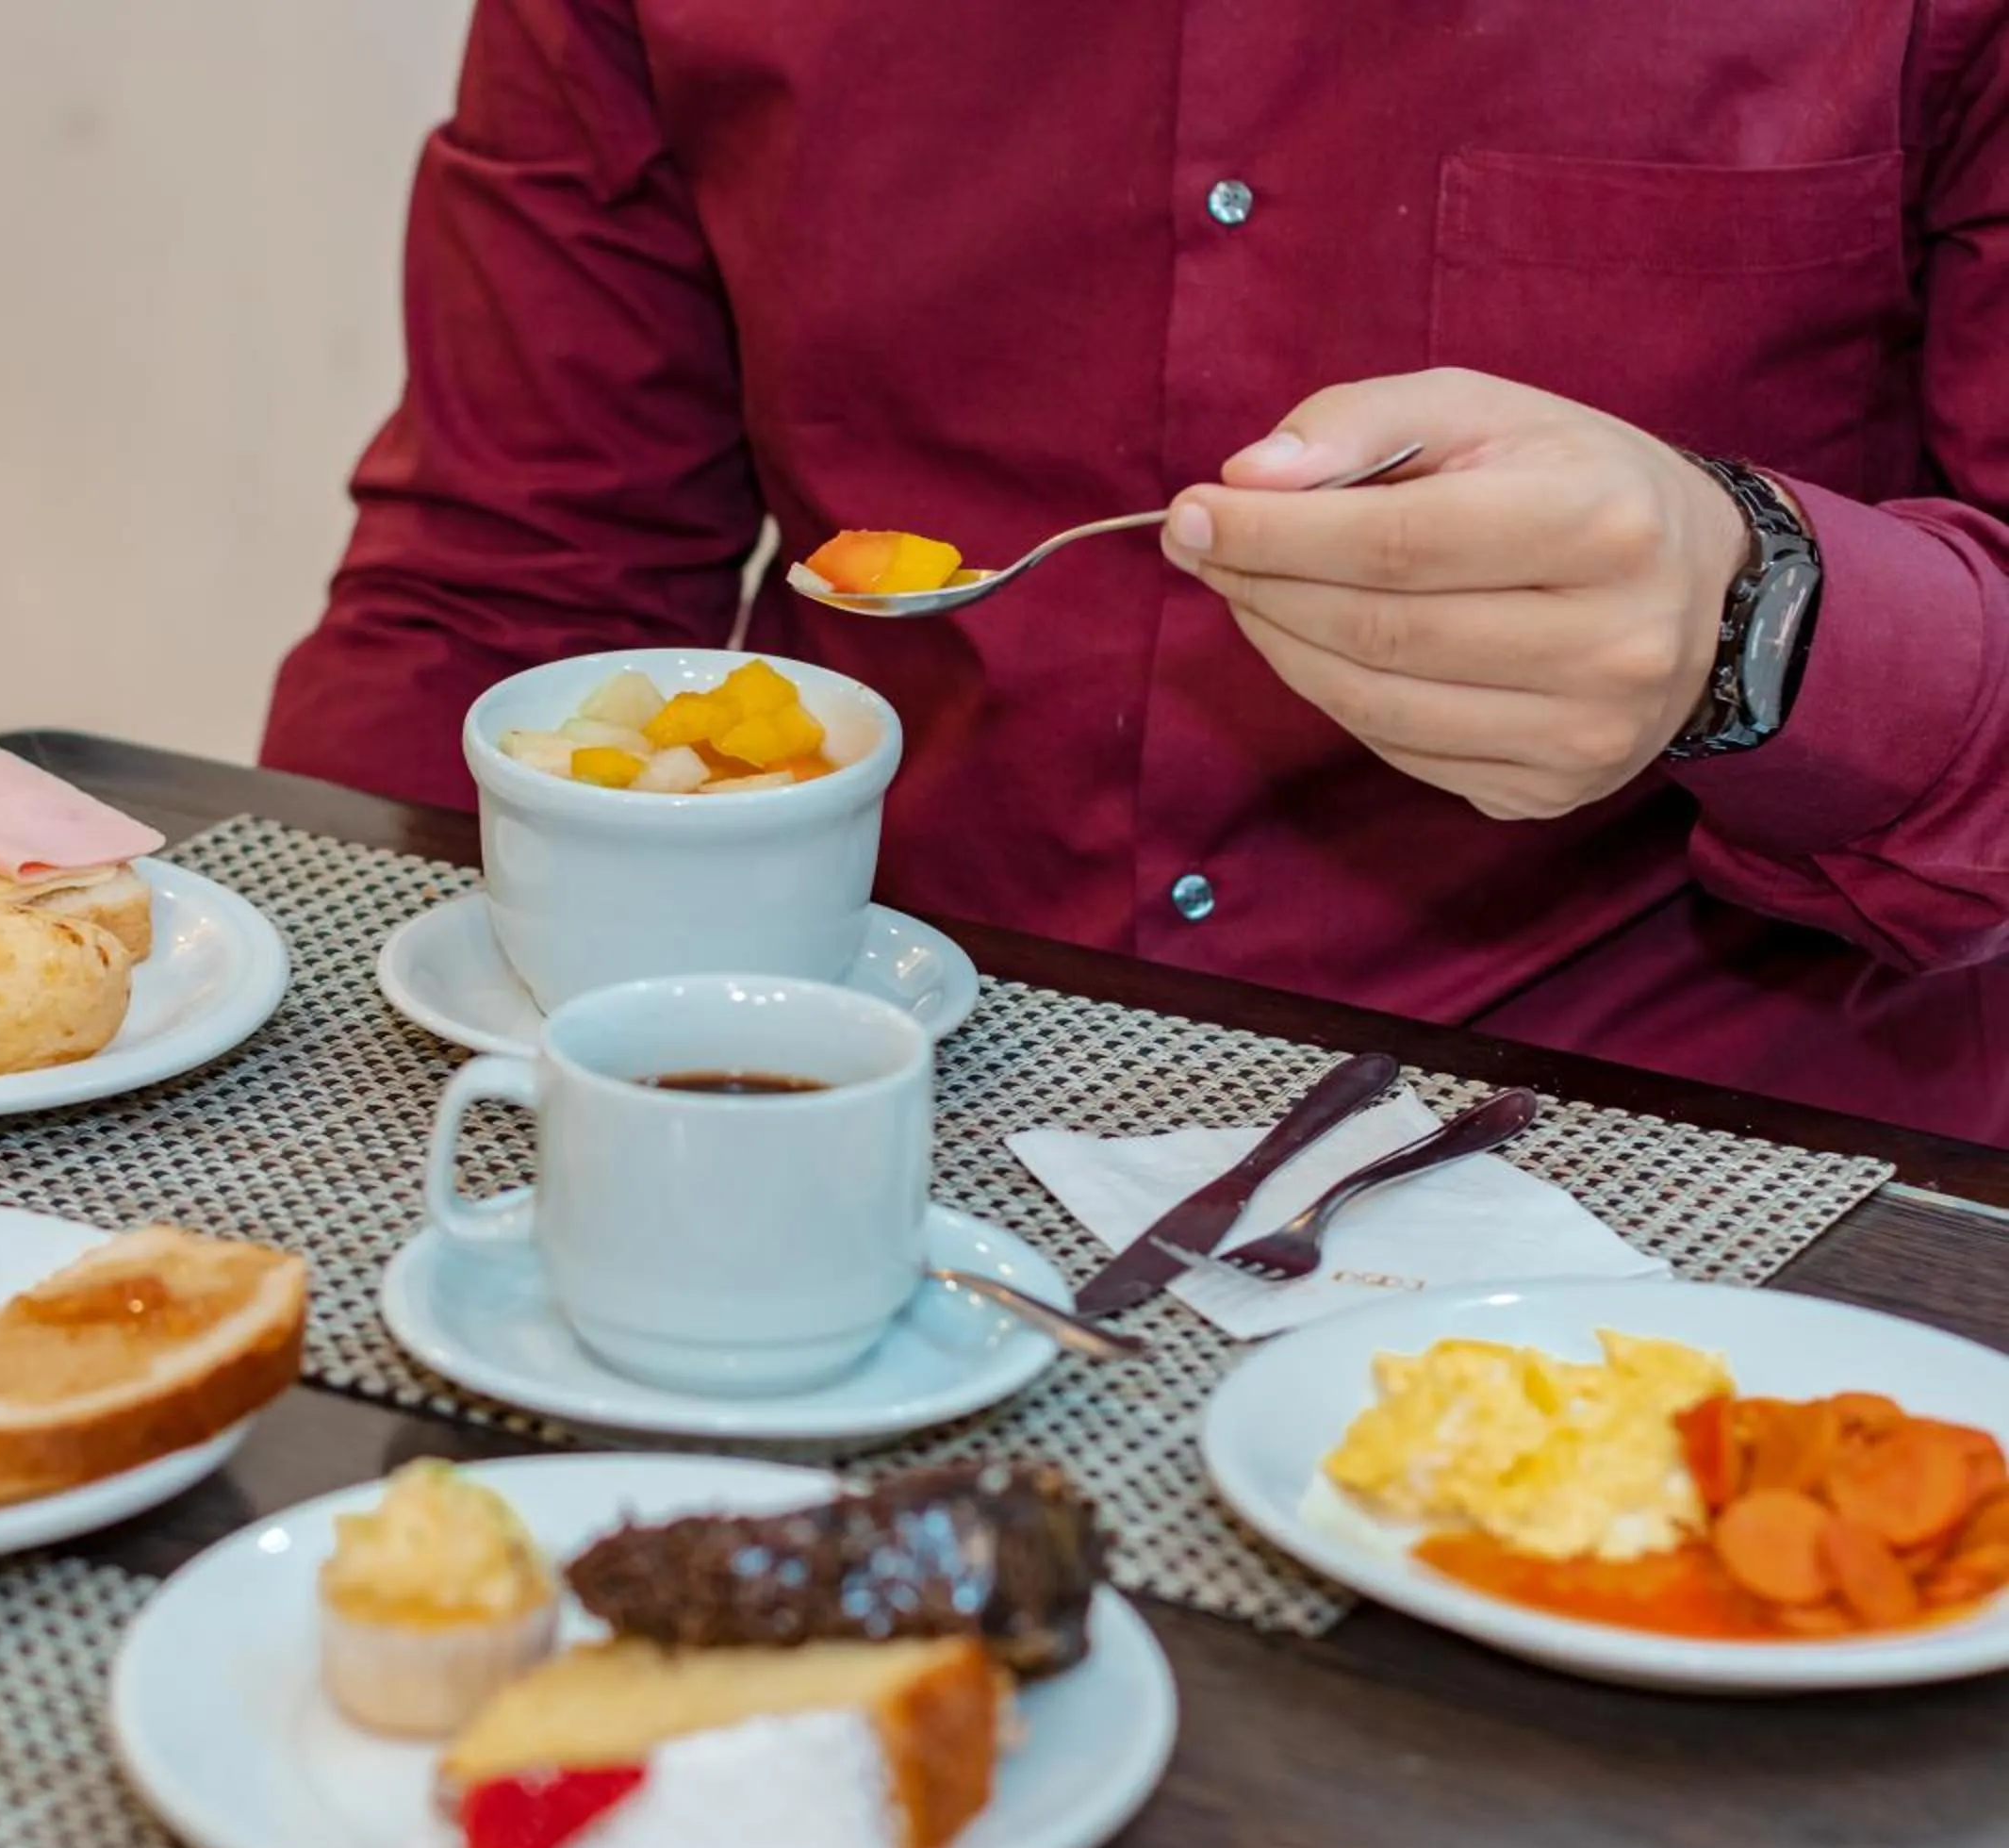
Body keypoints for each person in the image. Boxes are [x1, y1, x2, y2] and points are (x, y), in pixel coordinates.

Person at [261, 1, 2009, 1148]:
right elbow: (505, 591)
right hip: (853, 1103)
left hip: (1697, 1177)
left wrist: (1755, 619)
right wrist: (284, 1113)